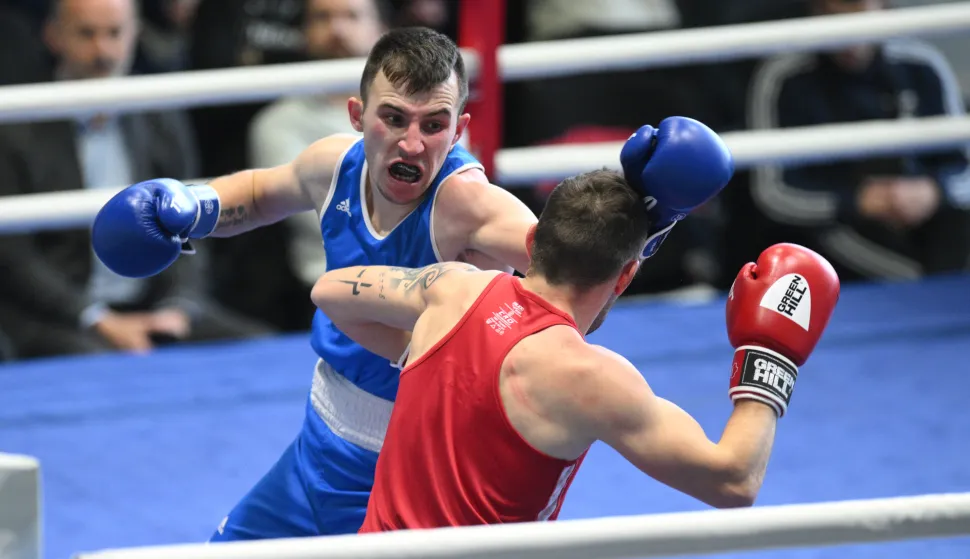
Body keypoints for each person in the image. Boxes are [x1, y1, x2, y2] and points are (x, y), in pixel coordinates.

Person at [90, 26, 729, 539]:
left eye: (433, 124)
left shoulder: (471, 207)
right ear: (356, 114)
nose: (412, 142)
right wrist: (187, 205)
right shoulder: (331, 165)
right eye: (393, 118)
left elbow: (575, 281)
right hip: (319, 438)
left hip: (404, 466)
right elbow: (259, 193)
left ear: (461, 129)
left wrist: (652, 218)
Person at [311, 170, 840, 531]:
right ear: (626, 274)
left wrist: (414, 355)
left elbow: (331, 293)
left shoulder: (454, 290)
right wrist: (772, 354)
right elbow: (734, 479)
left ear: (536, 238)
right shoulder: (589, 378)